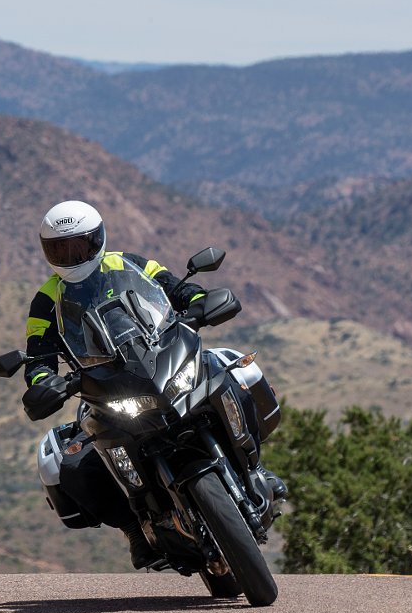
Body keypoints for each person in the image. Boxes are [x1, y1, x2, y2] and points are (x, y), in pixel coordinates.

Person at [21, 199, 285, 569]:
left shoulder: (129, 263)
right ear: (48, 251)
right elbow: (37, 355)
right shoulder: (46, 299)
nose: (72, 254)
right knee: (74, 465)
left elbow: (173, 287)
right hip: (102, 384)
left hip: (158, 357)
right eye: (61, 248)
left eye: (80, 245)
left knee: (230, 371)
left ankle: (252, 465)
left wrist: (198, 301)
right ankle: (135, 528)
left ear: (98, 238)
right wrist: (45, 381)